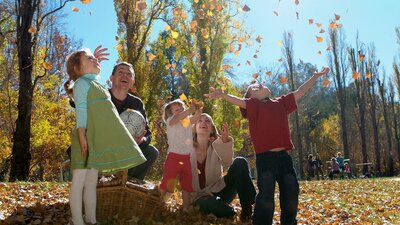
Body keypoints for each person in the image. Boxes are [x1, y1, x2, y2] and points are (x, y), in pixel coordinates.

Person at [205, 67, 330, 225]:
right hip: (265, 160)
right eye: (254, 88)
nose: (259, 85)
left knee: (291, 192)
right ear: (252, 98)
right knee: (266, 198)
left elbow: (300, 92)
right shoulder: (254, 106)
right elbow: (239, 101)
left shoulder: (282, 102)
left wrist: (315, 77)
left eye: (260, 84)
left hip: (285, 158)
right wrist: (223, 95)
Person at [64, 48, 146, 225]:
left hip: (95, 141)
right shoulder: (81, 84)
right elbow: (81, 109)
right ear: (78, 68)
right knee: (79, 182)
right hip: (84, 138)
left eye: (95, 58)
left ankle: (91, 220)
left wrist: (93, 61)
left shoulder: (94, 84)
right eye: (89, 58)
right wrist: (81, 134)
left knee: (91, 183)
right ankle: (77, 221)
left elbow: (94, 82)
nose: (94, 59)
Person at [190, 113, 256, 221]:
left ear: (212, 129)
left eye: (207, 121)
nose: (203, 122)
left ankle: (247, 208)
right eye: (200, 120)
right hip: (198, 197)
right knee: (224, 210)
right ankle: (224, 208)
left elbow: (228, 162)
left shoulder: (217, 145)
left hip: (219, 190)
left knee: (240, 162)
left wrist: (225, 143)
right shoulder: (187, 150)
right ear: (194, 128)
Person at [106, 60, 159, 181]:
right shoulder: (101, 96)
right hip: (103, 147)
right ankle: (102, 182)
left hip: (128, 148)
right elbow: (76, 102)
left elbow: (148, 133)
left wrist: (140, 140)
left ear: (133, 81)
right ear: (112, 78)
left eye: (129, 74)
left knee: (151, 152)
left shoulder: (136, 103)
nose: (125, 75)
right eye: (121, 72)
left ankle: (128, 184)